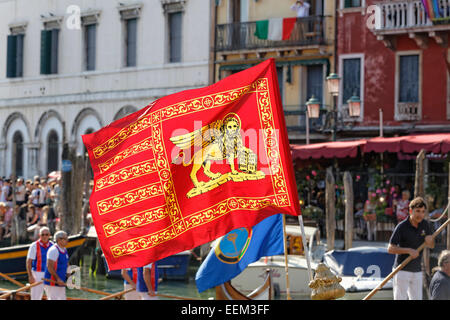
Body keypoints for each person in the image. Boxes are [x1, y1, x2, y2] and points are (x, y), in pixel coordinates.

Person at [388, 197, 434, 300]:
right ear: (410, 211)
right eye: (417, 211)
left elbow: (431, 246)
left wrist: (430, 241)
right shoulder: (402, 227)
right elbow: (390, 248)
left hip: (417, 270)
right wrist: (408, 250)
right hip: (401, 270)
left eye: (423, 212)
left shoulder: (425, 225)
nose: (420, 215)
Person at [26, 227, 53, 300]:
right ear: (39, 235)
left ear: (49, 235)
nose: (44, 236)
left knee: (52, 296)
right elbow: (29, 262)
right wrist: (30, 276)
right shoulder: (34, 245)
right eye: (42, 234)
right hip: (37, 274)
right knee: (36, 297)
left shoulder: (52, 246)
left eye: (46, 234)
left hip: (49, 274)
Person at [44, 230, 70, 300]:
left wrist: (69, 277)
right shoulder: (53, 250)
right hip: (52, 281)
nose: (67, 240)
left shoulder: (64, 250)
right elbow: (49, 267)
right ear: (59, 240)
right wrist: (58, 279)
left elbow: (67, 264)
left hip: (61, 282)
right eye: (65, 239)